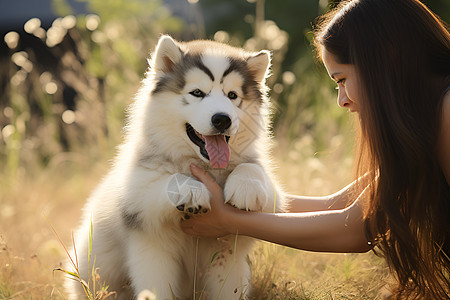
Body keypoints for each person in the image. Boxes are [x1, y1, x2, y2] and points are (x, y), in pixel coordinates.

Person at [181, 0, 450, 298]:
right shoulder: (430, 116)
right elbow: (338, 205)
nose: (342, 100)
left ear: (386, 59)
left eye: (342, 80)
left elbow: (356, 229)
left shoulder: (447, 112)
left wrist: (230, 221)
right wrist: (231, 197)